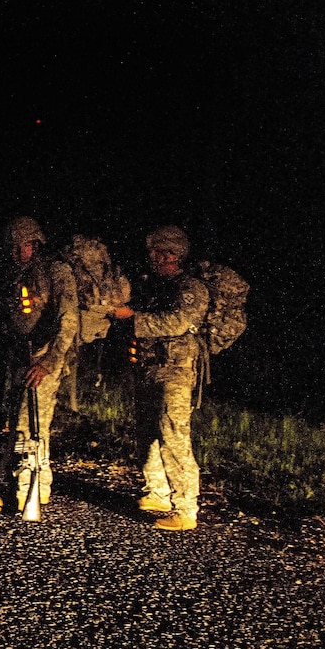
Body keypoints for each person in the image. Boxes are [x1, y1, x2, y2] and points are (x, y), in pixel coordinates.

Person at [110, 225, 208, 531]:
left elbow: (179, 322)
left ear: (174, 254)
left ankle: (186, 508)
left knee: (173, 436)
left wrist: (134, 318)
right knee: (147, 432)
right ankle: (157, 492)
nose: (153, 257)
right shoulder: (153, 286)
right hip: (149, 367)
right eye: (152, 251)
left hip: (176, 370)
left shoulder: (191, 288)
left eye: (159, 252)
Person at [0, 216, 79, 514]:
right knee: (19, 424)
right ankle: (31, 489)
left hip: (43, 359)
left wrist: (49, 362)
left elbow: (69, 322)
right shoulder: (16, 274)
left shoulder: (57, 272)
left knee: (30, 427)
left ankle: (28, 492)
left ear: (36, 244)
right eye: (12, 247)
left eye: (23, 246)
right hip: (19, 358)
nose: (16, 253)